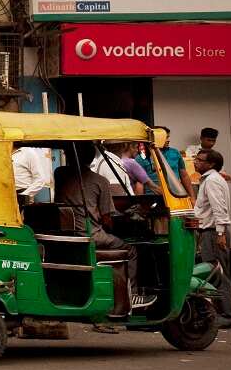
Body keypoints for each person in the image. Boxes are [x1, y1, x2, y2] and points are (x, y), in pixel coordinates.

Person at [55, 142, 140, 314]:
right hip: (90, 235)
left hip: (66, 234)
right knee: (130, 249)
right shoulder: (100, 181)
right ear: (92, 158)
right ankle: (133, 296)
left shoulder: (60, 174)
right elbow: (107, 219)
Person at [192, 149, 231, 328]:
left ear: (210, 164)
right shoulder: (212, 179)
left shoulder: (211, 181)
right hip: (211, 232)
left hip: (213, 233)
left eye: (199, 160)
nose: (195, 162)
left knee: (217, 274)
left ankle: (227, 314)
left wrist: (220, 234)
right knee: (215, 274)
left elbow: (219, 209)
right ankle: (221, 312)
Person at [155, 127, 191, 199]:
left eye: (168, 137)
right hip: (154, 196)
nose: (168, 140)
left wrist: (192, 197)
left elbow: (184, 176)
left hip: (175, 195)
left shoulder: (175, 152)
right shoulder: (144, 156)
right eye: (165, 137)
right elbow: (139, 181)